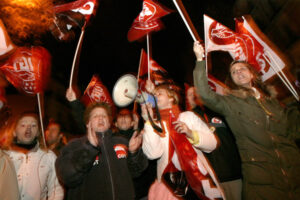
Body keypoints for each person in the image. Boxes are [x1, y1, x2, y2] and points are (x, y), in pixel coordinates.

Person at [193, 41, 300, 200]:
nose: (238, 72)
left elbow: (294, 131)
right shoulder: (231, 103)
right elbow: (206, 95)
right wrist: (200, 60)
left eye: (242, 68)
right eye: (234, 72)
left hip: (294, 175)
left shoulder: (274, 103)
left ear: (252, 74)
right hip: (262, 183)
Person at [141, 81, 224, 200]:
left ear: (171, 98)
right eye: (153, 95)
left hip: (200, 179)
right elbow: (153, 154)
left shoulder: (188, 116)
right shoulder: (155, 124)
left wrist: (191, 134)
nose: (155, 96)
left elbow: (212, 144)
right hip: (169, 185)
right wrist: (148, 121)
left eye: (159, 93)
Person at [55, 102, 148, 200]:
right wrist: (89, 149)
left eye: (104, 115)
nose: (100, 118)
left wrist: (134, 153)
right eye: (95, 116)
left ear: (109, 122)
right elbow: (66, 175)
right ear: (87, 123)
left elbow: (136, 172)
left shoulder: (122, 141)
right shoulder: (75, 145)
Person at [186, 86, 242, 200]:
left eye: (196, 92)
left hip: (234, 172)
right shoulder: (188, 120)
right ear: (187, 99)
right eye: (190, 94)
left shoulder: (217, 112)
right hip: (212, 179)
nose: (194, 95)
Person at [2, 112, 64, 200]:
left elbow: (56, 189)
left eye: (33, 125)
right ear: (14, 132)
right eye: (23, 125)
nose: (28, 128)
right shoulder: (4, 156)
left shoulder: (48, 156)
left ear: (38, 132)